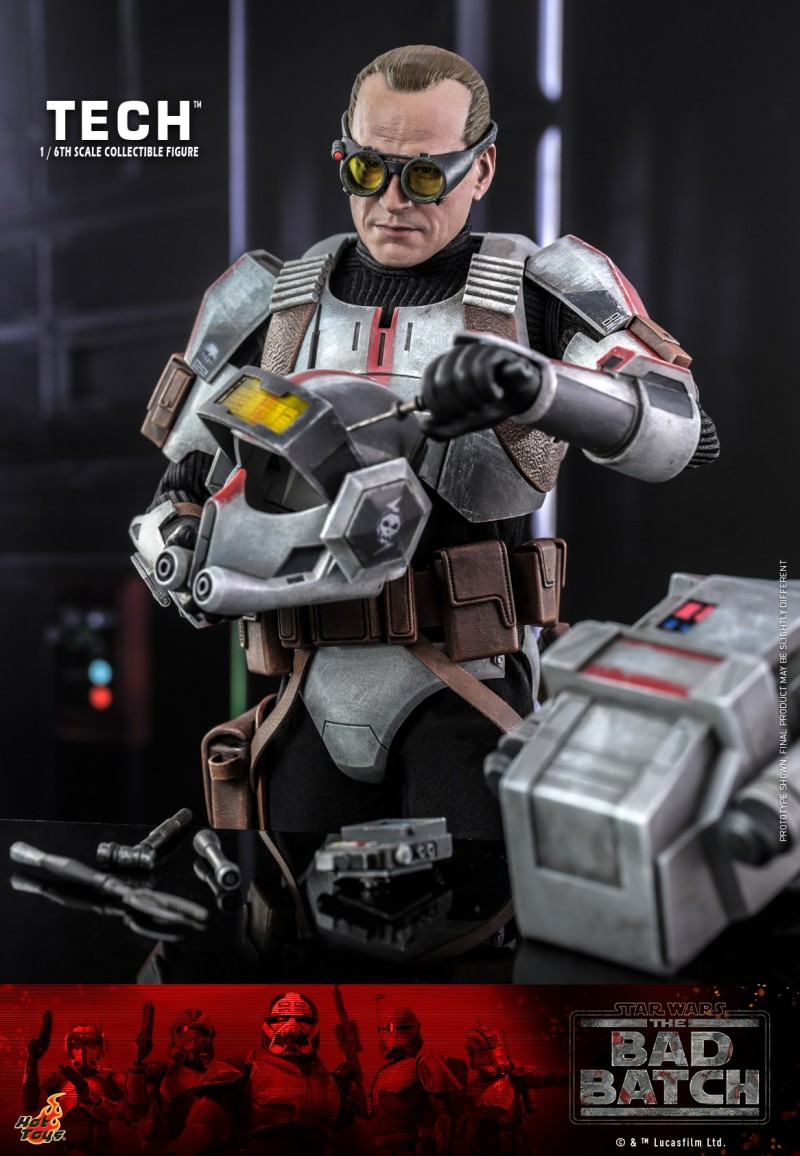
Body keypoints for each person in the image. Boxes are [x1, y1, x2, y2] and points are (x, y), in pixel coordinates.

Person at [130, 45, 719, 842]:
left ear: (482, 169)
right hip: (307, 691)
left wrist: (538, 386)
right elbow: (179, 486)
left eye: (426, 176)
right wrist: (183, 546)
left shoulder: (538, 290)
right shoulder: (275, 302)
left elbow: (683, 432)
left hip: (466, 690)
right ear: (343, 157)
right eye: (367, 170)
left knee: (471, 909)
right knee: (290, 910)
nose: (392, 201)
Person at [175, 992, 361, 1155]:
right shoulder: (239, 1073)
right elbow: (198, 1133)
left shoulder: (332, 1085)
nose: (291, 1027)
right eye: (281, 1019)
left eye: (301, 1019)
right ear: (267, 1024)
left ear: (314, 1027)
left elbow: (352, 1146)